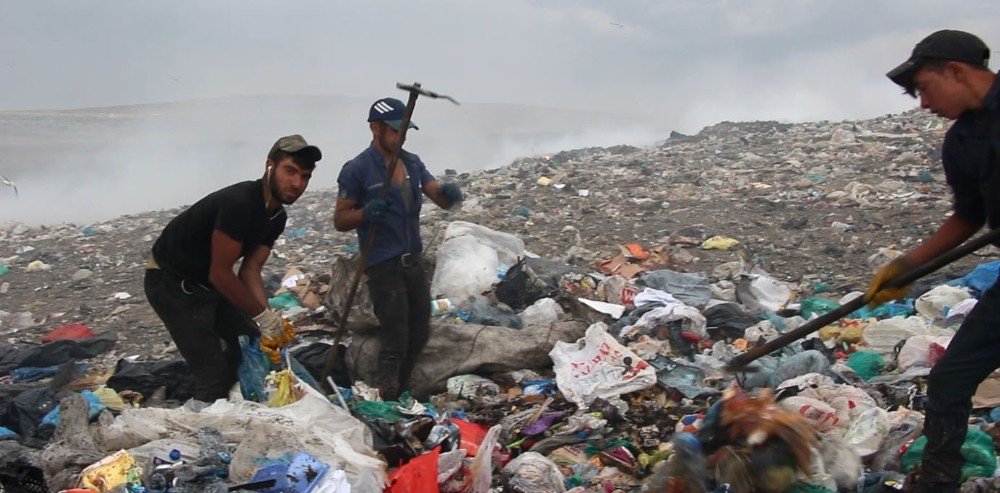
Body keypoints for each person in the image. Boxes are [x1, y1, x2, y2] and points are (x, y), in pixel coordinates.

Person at [868, 30, 997, 492]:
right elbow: (968, 215)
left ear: (956, 72)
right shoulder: (962, 142)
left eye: (925, 87)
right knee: (951, 379)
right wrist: (908, 266)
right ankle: (938, 481)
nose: (923, 103)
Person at [144, 135, 321, 402]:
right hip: (172, 282)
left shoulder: (276, 217)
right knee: (213, 373)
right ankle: (205, 429)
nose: (297, 184)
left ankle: (242, 406)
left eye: (305, 177)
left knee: (251, 346)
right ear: (269, 165)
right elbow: (221, 272)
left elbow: (250, 270)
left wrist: (267, 322)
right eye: (290, 171)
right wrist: (262, 316)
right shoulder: (240, 203)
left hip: (208, 284)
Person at [334, 97, 463, 400]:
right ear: (375, 128)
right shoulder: (357, 170)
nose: (399, 137)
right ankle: (387, 395)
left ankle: (404, 388)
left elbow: (438, 197)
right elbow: (340, 219)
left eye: (404, 131)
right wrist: (366, 213)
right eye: (394, 130)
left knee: (420, 331)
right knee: (396, 337)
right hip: (383, 264)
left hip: (412, 261)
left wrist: (449, 194)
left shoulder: (413, 163)